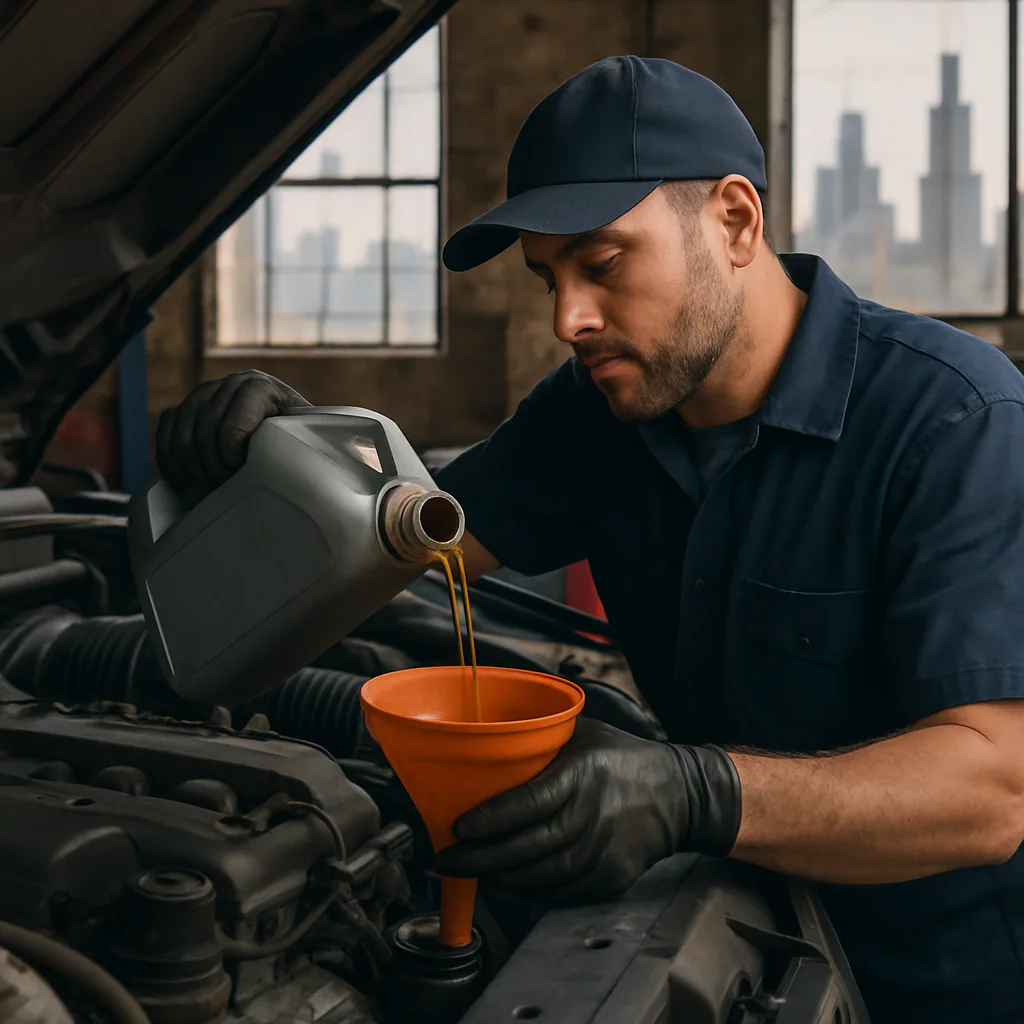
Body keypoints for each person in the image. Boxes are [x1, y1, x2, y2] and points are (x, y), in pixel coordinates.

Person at [156, 57, 1024, 1022]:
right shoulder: (592, 418)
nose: (569, 319)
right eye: (548, 278)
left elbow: (991, 787)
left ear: (736, 221)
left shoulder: (954, 422)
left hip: (931, 983)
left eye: (603, 265)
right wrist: (283, 467)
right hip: (725, 934)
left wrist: (695, 794)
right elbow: (407, 539)